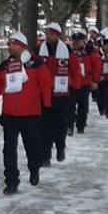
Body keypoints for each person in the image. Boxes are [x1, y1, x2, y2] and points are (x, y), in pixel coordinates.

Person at [0, 32, 52, 195]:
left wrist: (47, 106)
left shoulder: (37, 64)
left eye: (12, 44)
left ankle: (34, 168)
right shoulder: (4, 66)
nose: (9, 47)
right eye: (8, 45)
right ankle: (11, 181)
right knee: (9, 150)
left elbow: (46, 85)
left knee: (32, 147)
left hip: (31, 114)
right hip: (9, 114)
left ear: (22, 46)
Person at [38, 23, 80, 165]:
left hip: (62, 95)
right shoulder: (39, 50)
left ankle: (60, 147)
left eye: (50, 33)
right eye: (46, 33)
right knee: (45, 126)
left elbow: (75, 71)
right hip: (44, 94)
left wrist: (74, 87)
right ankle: (45, 156)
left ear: (56, 35)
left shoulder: (67, 51)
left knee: (61, 124)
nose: (47, 36)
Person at [69, 31, 100, 134]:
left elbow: (96, 66)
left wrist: (95, 80)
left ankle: (80, 125)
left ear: (83, 41)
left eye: (78, 41)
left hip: (85, 83)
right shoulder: (69, 51)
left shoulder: (90, 51)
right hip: (71, 83)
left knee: (83, 106)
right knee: (70, 105)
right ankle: (69, 125)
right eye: (74, 41)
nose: (76, 43)